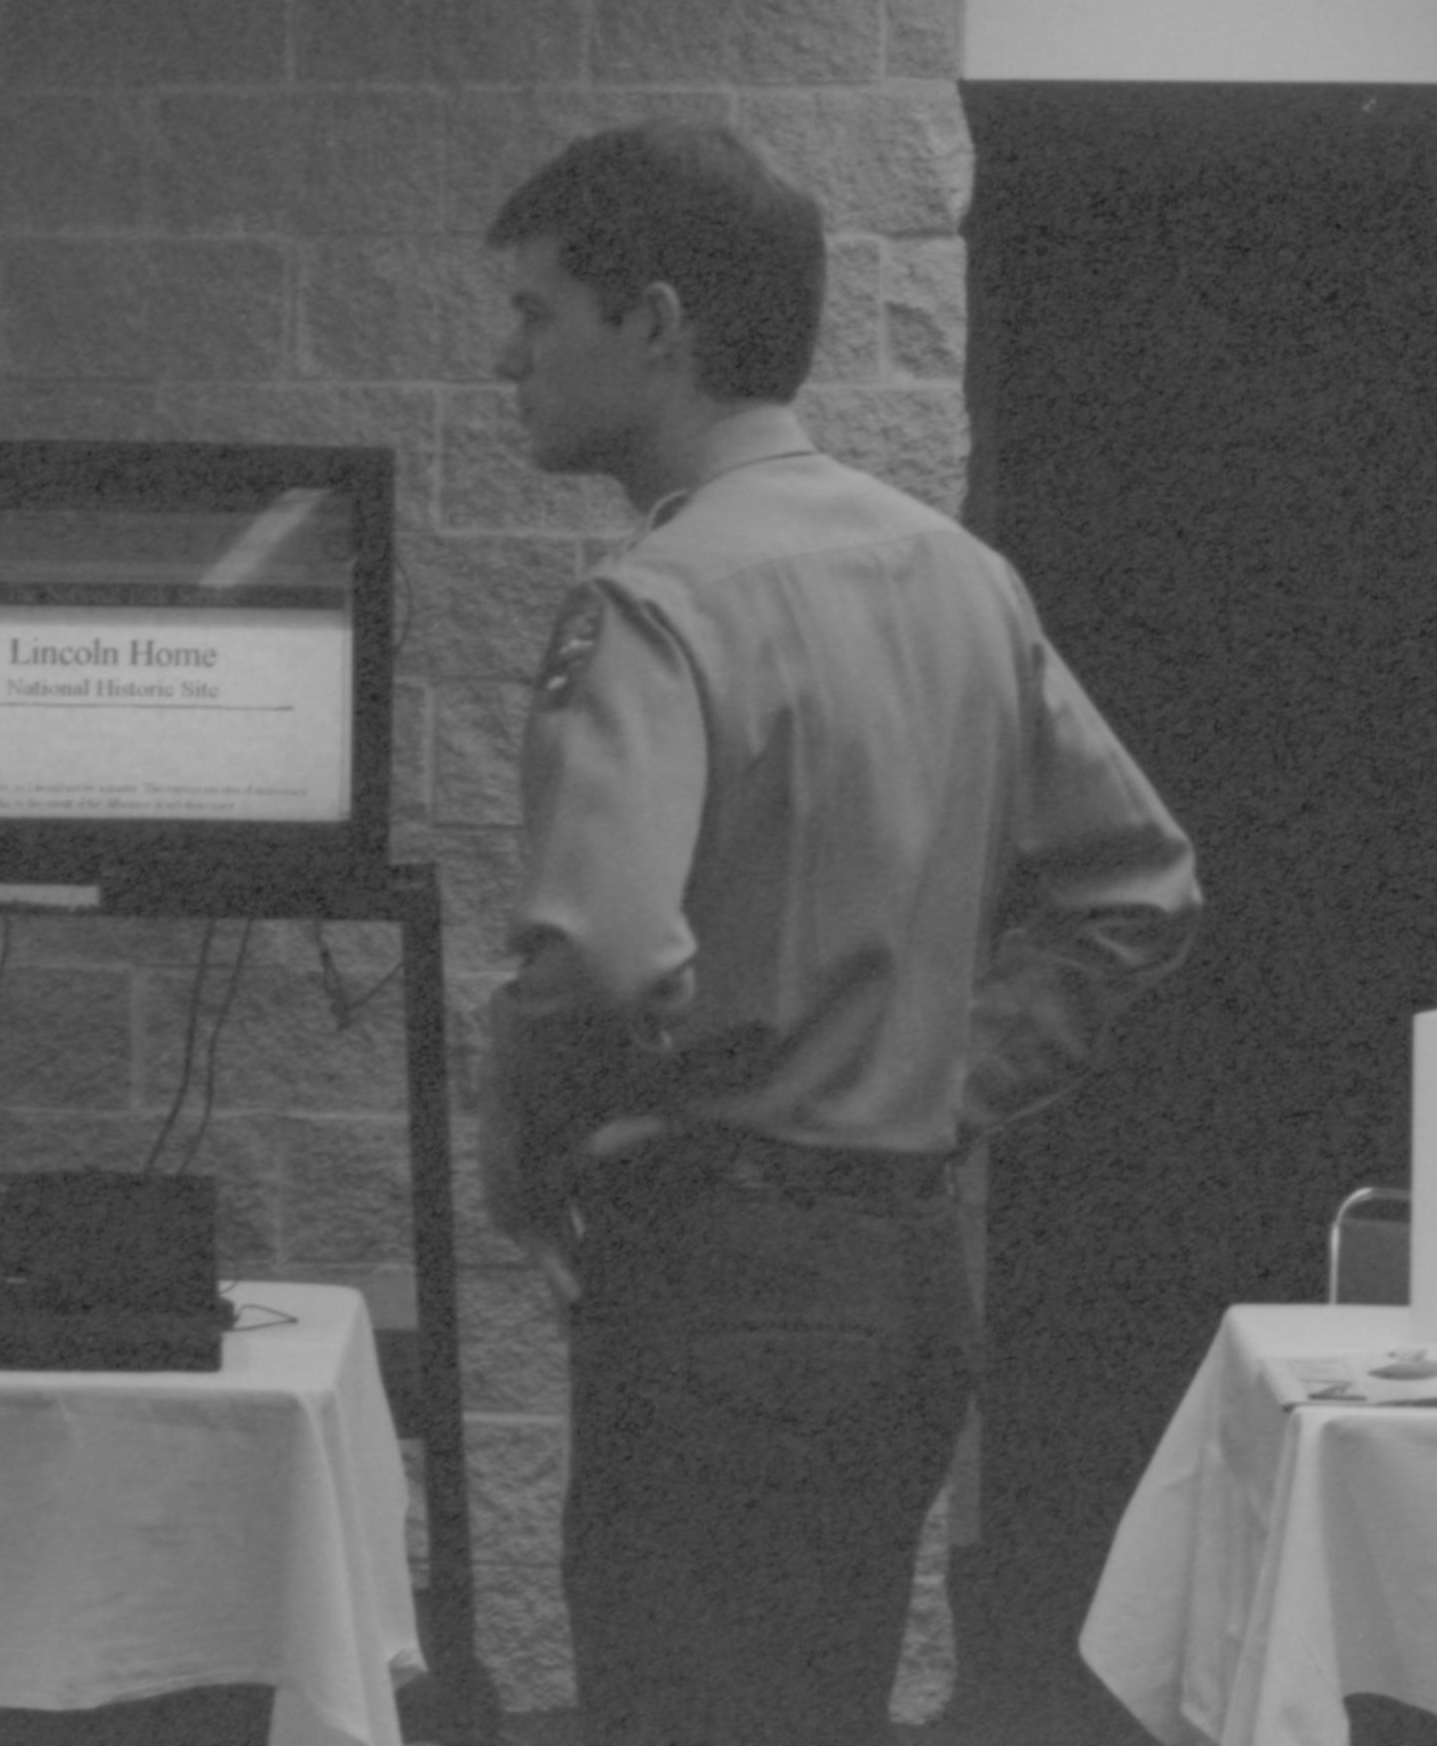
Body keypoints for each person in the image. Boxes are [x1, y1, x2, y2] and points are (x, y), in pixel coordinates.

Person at [475, 124, 1202, 1746]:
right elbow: (1133, 889)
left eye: (534, 313)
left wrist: (515, 1155)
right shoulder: (961, 582)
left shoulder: (652, 604)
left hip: (706, 1274)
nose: (501, 356)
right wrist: (938, 1083)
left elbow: (594, 954)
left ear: (653, 324)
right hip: (896, 1279)